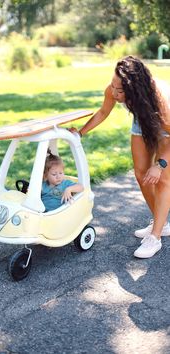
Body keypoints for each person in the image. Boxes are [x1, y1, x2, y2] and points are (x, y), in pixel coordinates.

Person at [69, 55, 170, 259]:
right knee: (141, 173)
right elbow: (103, 112)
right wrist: (80, 132)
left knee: (162, 180)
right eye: (113, 85)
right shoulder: (114, 89)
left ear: (134, 89)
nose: (113, 92)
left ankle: (155, 237)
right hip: (142, 121)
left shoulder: (161, 101)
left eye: (119, 89)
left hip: (165, 126)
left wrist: (159, 165)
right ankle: (161, 223)